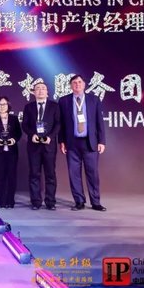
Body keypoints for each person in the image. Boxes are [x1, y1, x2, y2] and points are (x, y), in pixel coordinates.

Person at [58, 74, 107, 211]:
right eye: (74, 82)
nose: (77, 84)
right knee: (74, 174)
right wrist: (61, 141)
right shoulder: (64, 101)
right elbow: (61, 124)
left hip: (90, 142)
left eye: (80, 82)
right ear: (70, 86)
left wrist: (102, 141)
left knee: (93, 174)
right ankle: (79, 201)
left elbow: (99, 121)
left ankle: (95, 202)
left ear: (84, 84)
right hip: (72, 142)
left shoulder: (93, 99)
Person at [21, 82, 61, 210]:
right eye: (37, 89)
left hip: (49, 145)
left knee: (50, 175)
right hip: (34, 145)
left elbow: (58, 124)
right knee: (34, 174)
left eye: (43, 88)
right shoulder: (29, 107)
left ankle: (50, 202)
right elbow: (24, 124)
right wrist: (31, 134)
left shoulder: (54, 106)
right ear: (33, 92)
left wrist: (51, 137)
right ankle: (36, 202)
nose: (40, 91)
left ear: (47, 92)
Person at [0, 96, 22, 208]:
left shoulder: (14, 118)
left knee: (11, 175)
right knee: (0, 175)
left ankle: (10, 200)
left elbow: (19, 133)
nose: (2, 106)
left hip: (12, 151)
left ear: (8, 105)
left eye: (4, 104)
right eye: (0, 104)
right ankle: (2, 200)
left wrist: (14, 140)